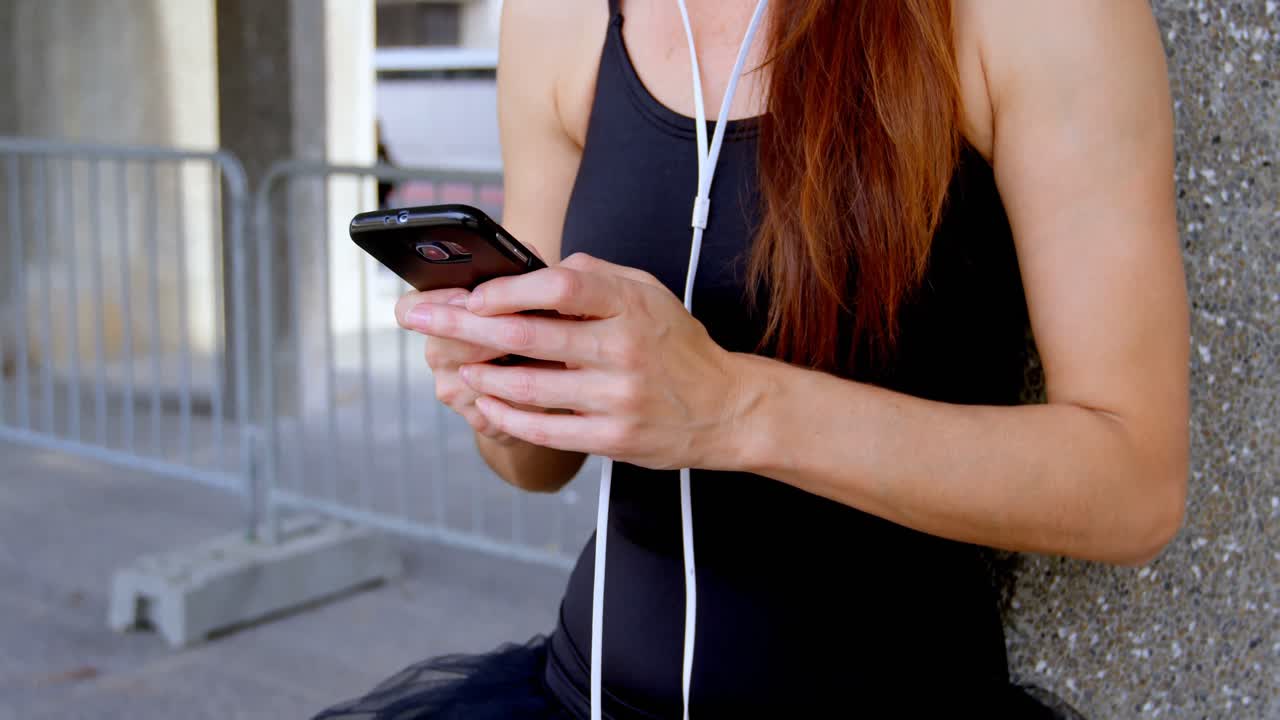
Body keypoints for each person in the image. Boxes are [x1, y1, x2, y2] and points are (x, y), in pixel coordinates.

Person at [315, 0, 1188, 717]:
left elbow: (1134, 483)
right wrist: (497, 380)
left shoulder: (1039, 16)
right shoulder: (558, 15)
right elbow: (535, 464)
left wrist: (735, 407)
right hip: (586, 695)